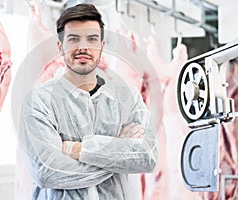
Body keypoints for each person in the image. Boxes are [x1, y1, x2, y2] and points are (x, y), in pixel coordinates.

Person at [19, 3, 158, 200]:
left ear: (101, 46)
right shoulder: (38, 102)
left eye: (91, 39)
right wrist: (119, 148)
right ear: (60, 46)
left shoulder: (128, 98)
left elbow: (147, 157)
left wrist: (74, 149)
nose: (83, 47)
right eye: (74, 39)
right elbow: (46, 172)